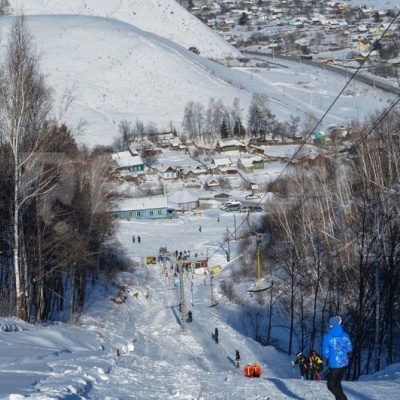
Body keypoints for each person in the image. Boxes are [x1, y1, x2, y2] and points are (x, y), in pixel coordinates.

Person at [323, 316, 352, 400]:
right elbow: (349, 349)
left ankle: (343, 398)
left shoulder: (327, 337)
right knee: (337, 382)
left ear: (331, 325)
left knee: (331, 385)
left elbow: (326, 354)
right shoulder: (345, 335)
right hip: (344, 363)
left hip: (334, 364)